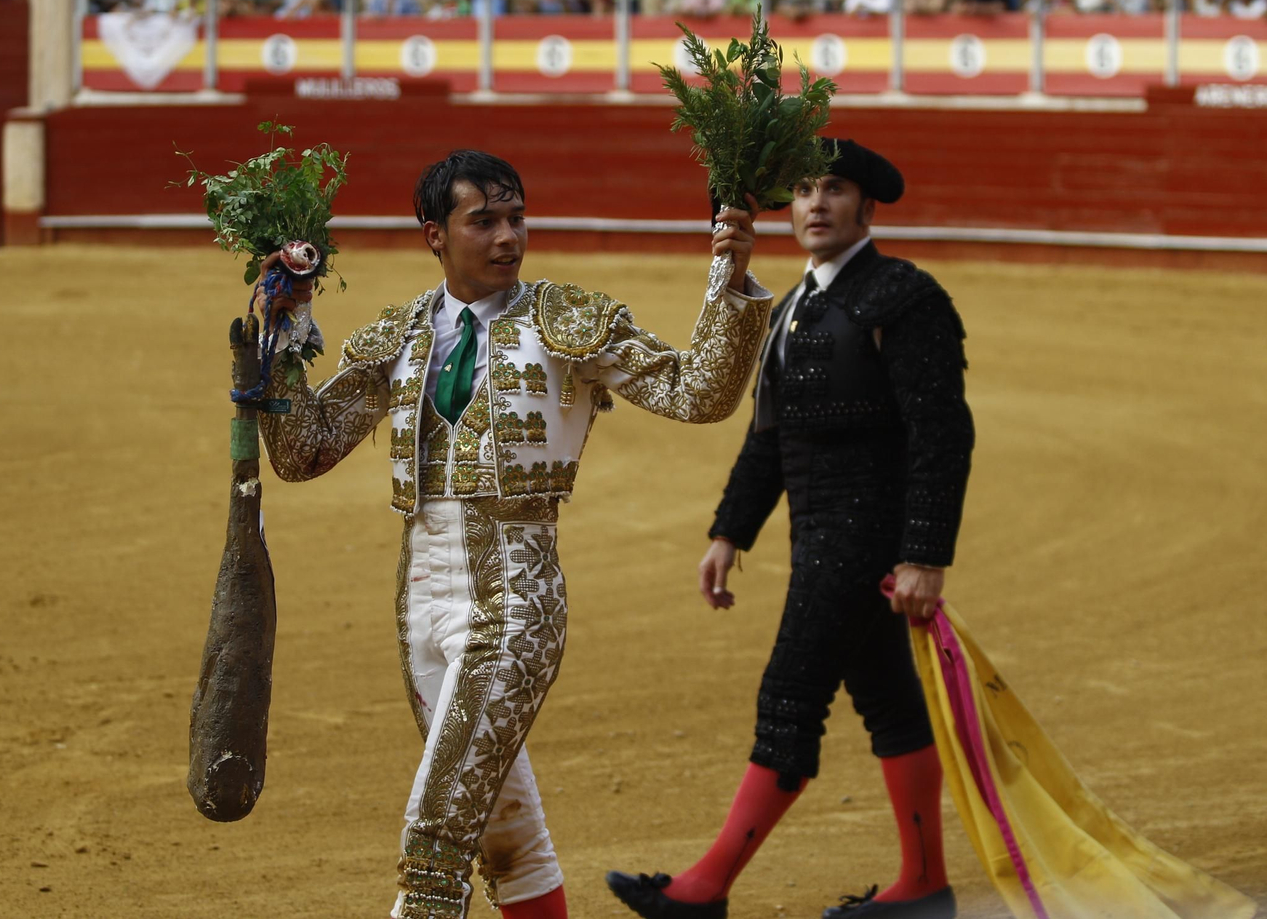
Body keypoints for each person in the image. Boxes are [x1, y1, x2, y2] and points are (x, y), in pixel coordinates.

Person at [255, 151, 772, 919]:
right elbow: (304, 452)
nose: (507, 237)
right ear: (435, 234)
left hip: (516, 601)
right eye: (484, 221)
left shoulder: (565, 322)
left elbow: (698, 393)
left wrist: (729, 275)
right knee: (507, 838)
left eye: (516, 218)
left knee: (436, 839)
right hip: (419, 605)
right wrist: (283, 336)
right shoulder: (402, 334)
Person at [606, 140, 975, 919]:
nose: (815, 203)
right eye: (803, 190)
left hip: (864, 538)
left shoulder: (903, 297)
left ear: (867, 206)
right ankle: (924, 885)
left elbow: (942, 433)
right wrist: (729, 532)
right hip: (820, 532)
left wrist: (923, 555)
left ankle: (706, 888)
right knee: (888, 700)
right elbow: (770, 437)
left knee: (790, 697)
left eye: (833, 188)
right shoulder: (794, 306)